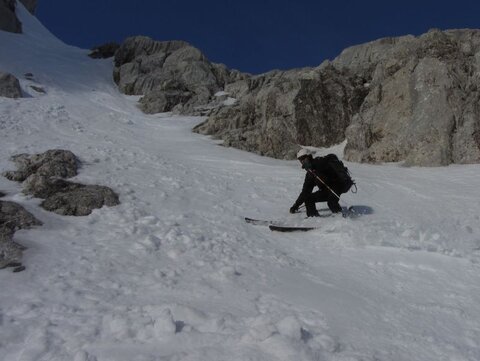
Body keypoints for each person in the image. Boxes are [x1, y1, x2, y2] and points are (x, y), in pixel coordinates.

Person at [290, 149, 343, 217]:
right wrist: (296, 205)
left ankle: (342, 219)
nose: (302, 161)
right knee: (308, 198)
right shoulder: (310, 174)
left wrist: (316, 168)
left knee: (331, 202)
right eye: (300, 160)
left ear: (309, 157)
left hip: (337, 186)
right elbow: (305, 192)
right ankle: (313, 218)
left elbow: (332, 158)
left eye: (304, 158)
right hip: (326, 191)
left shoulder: (319, 162)